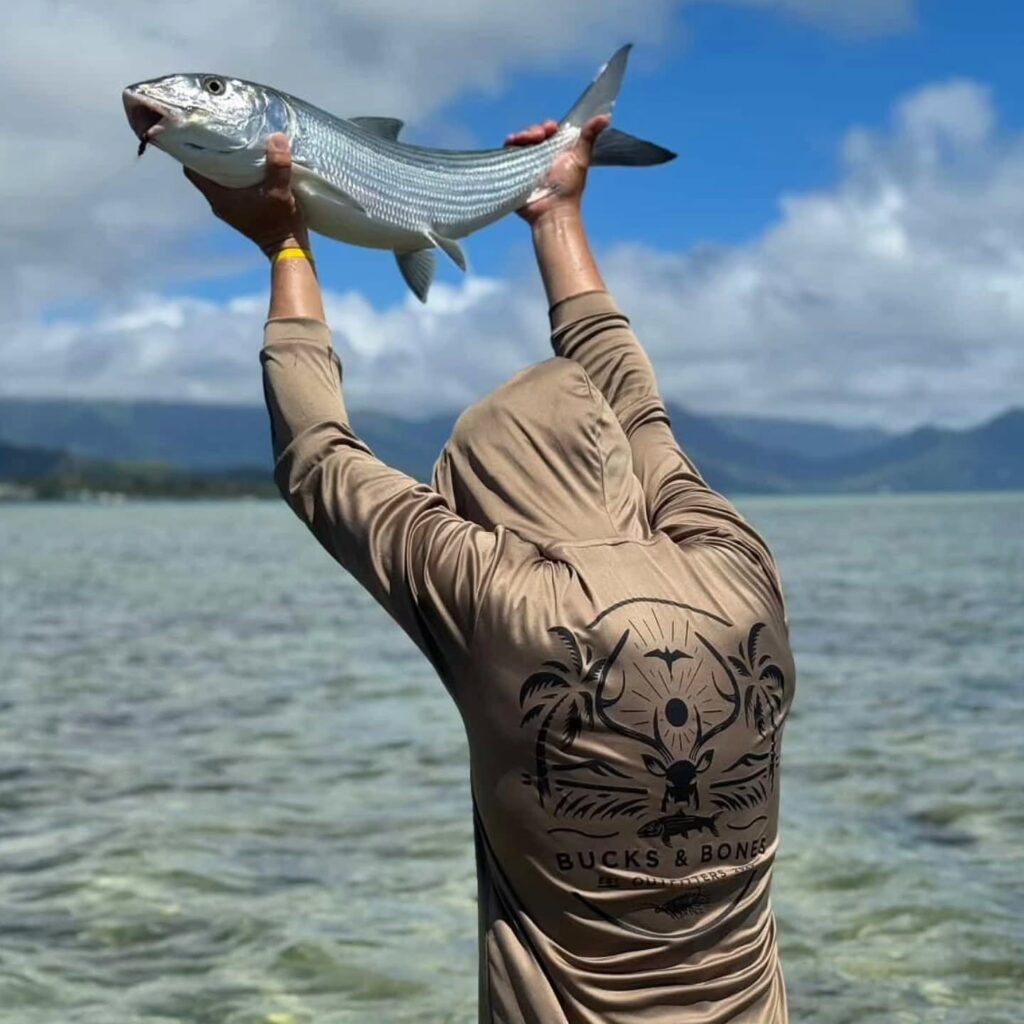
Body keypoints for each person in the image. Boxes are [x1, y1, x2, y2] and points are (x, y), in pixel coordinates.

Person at [186, 115, 796, 1024]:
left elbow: (317, 454)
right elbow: (635, 402)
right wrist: (557, 217)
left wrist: (287, 245)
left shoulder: (497, 603)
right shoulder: (740, 571)